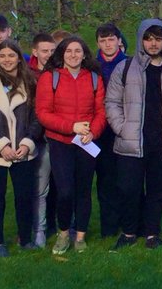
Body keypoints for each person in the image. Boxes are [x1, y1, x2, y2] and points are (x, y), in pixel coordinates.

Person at [106, 19, 162, 250]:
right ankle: (129, 232)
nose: (153, 43)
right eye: (148, 39)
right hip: (132, 142)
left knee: (157, 191)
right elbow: (112, 102)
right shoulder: (125, 67)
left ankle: (151, 234)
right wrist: (121, 128)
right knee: (129, 189)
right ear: (141, 39)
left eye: (158, 39)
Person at [35, 36, 106, 255]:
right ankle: (64, 232)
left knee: (84, 190)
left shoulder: (94, 78)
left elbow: (101, 111)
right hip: (61, 142)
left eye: (77, 51)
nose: (73, 55)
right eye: (68, 51)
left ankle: (81, 236)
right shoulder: (50, 77)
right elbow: (43, 113)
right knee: (65, 191)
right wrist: (71, 127)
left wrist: (93, 132)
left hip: (86, 142)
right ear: (62, 54)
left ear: (84, 54)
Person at [0, 39, 42, 258]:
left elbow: (37, 117)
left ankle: (25, 239)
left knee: (24, 198)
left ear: (19, 58)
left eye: (11, 55)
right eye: (2, 56)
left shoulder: (30, 82)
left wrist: (27, 143)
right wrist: (0, 144)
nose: (7, 60)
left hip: (23, 152)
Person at [94, 23, 127, 240]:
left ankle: (130, 222)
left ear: (119, 41)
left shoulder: (129, 64)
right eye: (103, 40)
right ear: (98, 43)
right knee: (105, 179)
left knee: (127, 178)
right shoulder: (92, 66)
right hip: (100, 130)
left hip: (124, 127)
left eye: (111, 40)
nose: (107, 44)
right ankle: (109, 226)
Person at [26, 32, 57, 247]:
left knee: (64, 186)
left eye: (53, 51)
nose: (49, 55)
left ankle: (66, 226)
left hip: (61, 135)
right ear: (35, 52)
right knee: (40, 187)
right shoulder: (28, 76)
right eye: (44, 51)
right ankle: (39, 230)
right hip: (37, 137)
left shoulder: (61, 72)